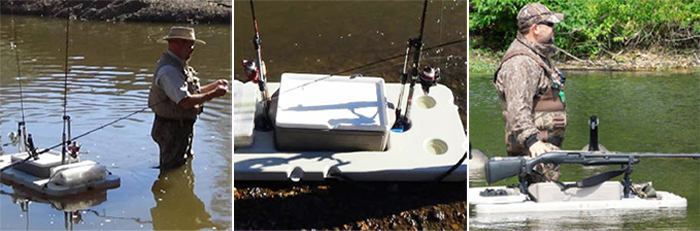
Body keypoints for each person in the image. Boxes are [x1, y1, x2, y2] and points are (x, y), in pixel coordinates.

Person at [493, 3, 567, 182]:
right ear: (535, 29)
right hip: (533, 150)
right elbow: (518, 108)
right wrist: (532, 141)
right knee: (544, 195)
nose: (554, 28)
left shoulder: (537, 56)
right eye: (549, 24)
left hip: (544, 147)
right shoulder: (520, 64)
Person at [149, 26, 229, 170]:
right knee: (171, 170)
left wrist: (214, 86)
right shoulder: (169, 71)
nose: (193, 48)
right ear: (176, 43)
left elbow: (189, 94)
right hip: (171, 129)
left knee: (182, 163)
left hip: (180, 126)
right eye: (189, 44)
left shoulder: (179, 65)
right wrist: (213, 94)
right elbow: (185, 102)